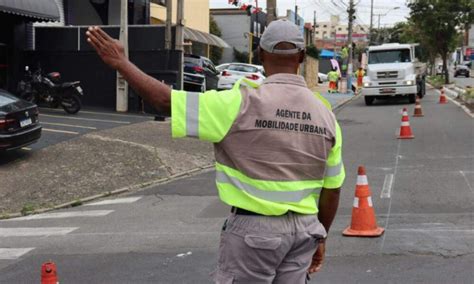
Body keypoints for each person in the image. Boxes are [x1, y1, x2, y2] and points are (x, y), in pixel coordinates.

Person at [86, 19, 344, 283]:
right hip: (304, 231)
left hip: (254, 233)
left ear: (260, 54)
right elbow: (332, 189)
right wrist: (320, 235)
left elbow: (165, 101)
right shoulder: (325, 114)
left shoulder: (239, 102)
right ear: (301, 57)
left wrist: (121, 63)